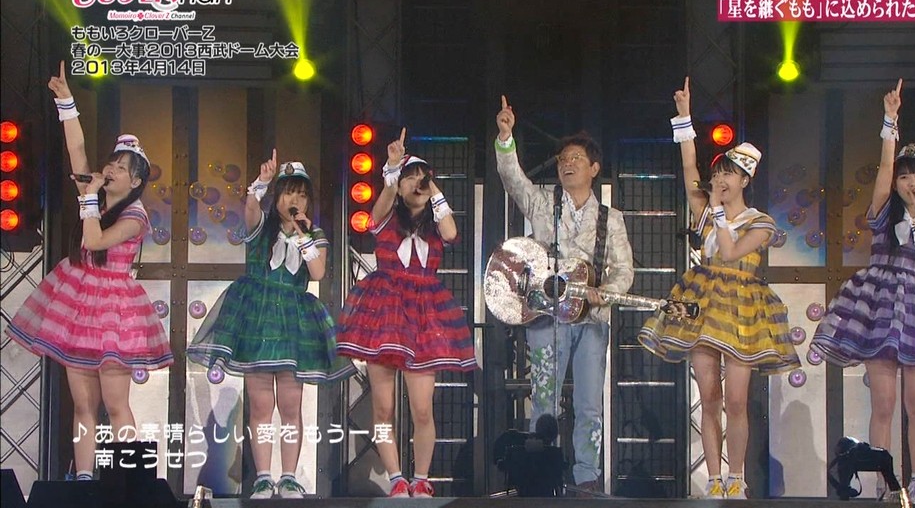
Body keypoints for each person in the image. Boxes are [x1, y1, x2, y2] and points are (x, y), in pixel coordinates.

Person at [5, 61, 173, 481]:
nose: (111, 169)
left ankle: (127, 481)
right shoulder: (93, 195)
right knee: (83, 405)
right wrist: (66, 102)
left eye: (122, 167)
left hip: (115, 309)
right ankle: (83, 480)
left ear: (136, 182)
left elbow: (95, 241)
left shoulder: (135, 216)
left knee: (115, 404)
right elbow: (77, 150)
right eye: (112, 163)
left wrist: (89, 198)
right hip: (79, 299)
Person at [637, 78, 800, 499]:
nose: (721, 179)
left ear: (744, 180)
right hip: (703, 304)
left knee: (737, 400)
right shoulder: (707, 211)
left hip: (742, 307)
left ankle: (737, 477)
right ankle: (713, 479)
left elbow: (730, 252)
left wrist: (721, 213)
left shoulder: (761, 223)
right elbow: (689, 168)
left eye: (729, 174)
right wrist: (684, 118)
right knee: (708, 395)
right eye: (719, 173)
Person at [810, 79, 915, 507]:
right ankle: (884, 483)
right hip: (880, 304)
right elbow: (883, 166)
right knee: (883, 403)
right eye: (905, 175)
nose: (911, 180)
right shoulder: (882, 211)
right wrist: (889, 121)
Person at [187, 151, 354, 500]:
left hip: (293, 322)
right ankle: (263, 477)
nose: (296, 200)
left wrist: (304, 236)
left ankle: (289, 477)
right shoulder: (262, 227)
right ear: (277, 196)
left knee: (291, 405)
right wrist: (261, 183)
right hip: (258, 318)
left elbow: (318, 272)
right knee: (261, 405)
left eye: (302, 194)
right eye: (289, 192)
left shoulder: (314, 233)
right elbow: (250, 209)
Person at [494, 96, 635, 495]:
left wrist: (604, 293)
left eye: (575, 158)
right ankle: (541, 473)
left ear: (594, 168)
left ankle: (587, 477)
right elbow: (513, 179)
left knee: (589, 402)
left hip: (592, 320)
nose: (566, 164)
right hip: (545, 317)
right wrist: (505, 138)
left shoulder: (611, 219)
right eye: (562, 159)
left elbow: (624, 270)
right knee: (544, 399)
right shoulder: (543, 204)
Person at [336, 128, 476, 499]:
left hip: (424, 315)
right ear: (399, 184)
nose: (417, 182)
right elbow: (376, 211)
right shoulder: (386, 215)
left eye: (422, 176)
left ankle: (422, 478)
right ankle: (396, 477)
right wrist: (392, 169)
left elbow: (451, 232)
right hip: (385, 311)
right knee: (383, 406)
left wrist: (434, 191)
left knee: (422, 408)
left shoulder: (436, 223)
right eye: (410, 177)